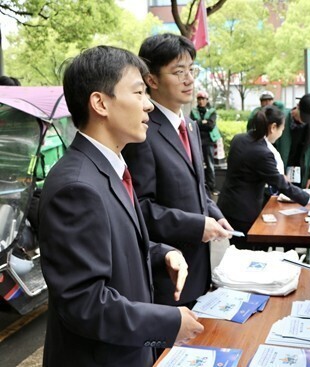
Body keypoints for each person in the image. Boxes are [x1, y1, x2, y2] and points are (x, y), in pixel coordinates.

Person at [38, 45, 204, 367]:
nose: (148, 106)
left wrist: (161, 253)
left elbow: (113, 245)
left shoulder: (109, 167)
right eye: (139, 92)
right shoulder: (76, 187)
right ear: (100, 103)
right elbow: (85, 302)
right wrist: (167, 323)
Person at [122, 33, 232, 308]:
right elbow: (140, 208)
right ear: (152, 80)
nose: (189, 79)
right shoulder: (142, 131)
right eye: (178, 72)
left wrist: (215, 214)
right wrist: (195, 225)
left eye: (192, 70)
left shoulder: (190, 125)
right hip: (167, 274)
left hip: (200, 266)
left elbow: (196, 187)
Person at [218, 105, 310, 249]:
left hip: (228, 206)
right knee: (250, 255)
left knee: (237, 251)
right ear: (273, 127)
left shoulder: (239, 139)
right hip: (245, 213)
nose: (281, 133)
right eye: (281, 129)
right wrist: (309, 199)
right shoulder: (263, 152)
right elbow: (281, 184)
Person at [274, 93, 310, 189]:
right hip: (280, 175)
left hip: (302, 176)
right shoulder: (280, 120)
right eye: (304, 117)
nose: (306, 121)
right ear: (298, 107)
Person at [190, 90, 218, 195]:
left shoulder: (212, 111)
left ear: (207, 100)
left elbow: (211, 126)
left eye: (203, 99)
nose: (201, 101)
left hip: (209, 141)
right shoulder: (194, 111)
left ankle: (212, 187)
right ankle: (201, 188)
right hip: (198, 141)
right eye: (199, 99)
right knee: (198, 164)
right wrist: (203, 123)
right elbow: (193, 124)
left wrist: (200, 123)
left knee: (210, 165)